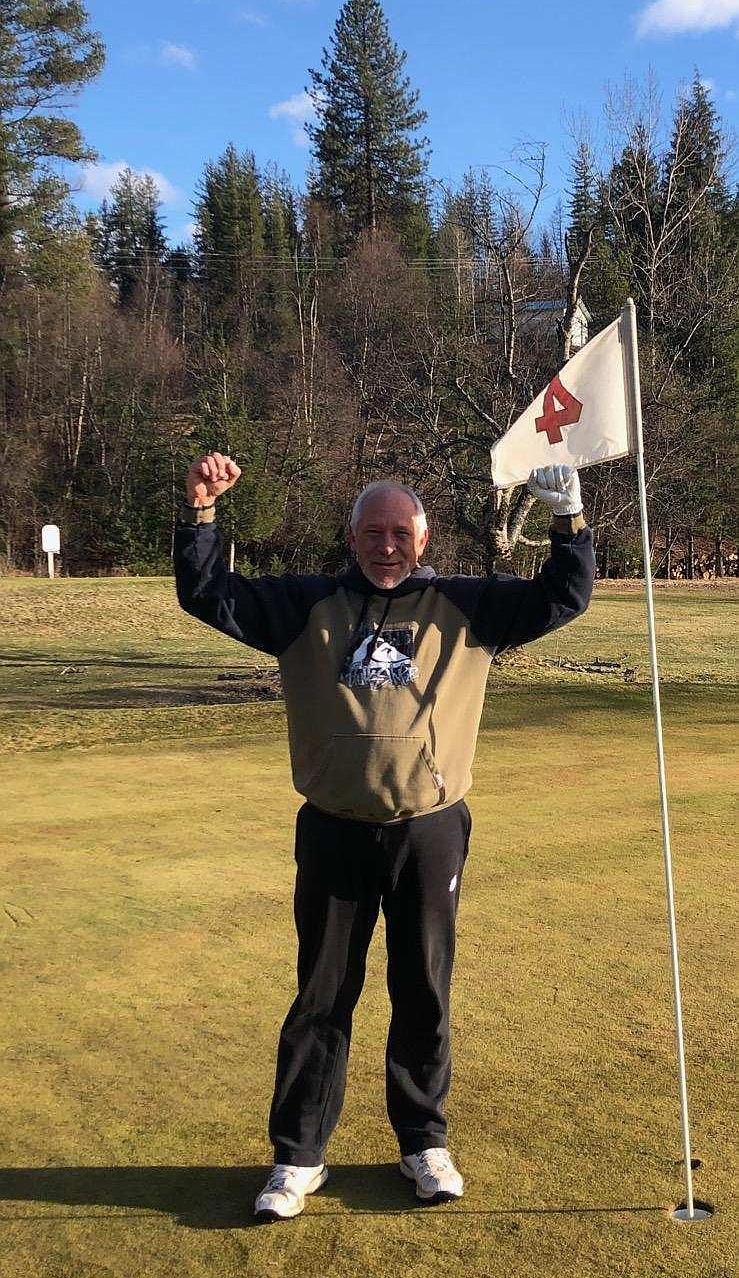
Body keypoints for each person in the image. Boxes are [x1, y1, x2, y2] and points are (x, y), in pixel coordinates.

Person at [174, 455, 595, 1221]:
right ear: (352, 538)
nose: (387, 546)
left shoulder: (464, 604)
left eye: (400, 532)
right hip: (334, 831)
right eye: (373, 533)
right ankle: (298, 1157)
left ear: (422, 536)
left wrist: (569, 525)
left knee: (423, 988)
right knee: (321, 997)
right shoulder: (307, 604)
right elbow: (207, 594)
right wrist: (201, 512)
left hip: (428, 831)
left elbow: (562, 597)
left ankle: (422, 1142)